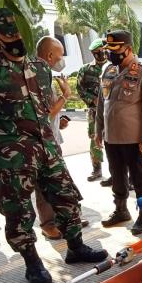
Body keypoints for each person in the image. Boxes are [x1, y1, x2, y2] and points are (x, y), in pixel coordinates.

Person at [0, 8, 107, 283]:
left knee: (67, 197)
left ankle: (76, 248)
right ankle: (32, 263)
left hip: (47, 148)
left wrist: (59, 117)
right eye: (9, 34)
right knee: (18, 211)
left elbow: (44, 107)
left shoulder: (40, 68)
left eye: (19, 32)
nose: (16, 38)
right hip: (12, 157)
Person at [95, 30, 142, 236]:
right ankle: (121, 209)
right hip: (111, 137)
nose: (112, 54)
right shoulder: (108, 70)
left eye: (116, 49)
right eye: (109, 49)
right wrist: (98, 130)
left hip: (135, 139)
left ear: (129, 49)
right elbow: (101, 104)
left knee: (140, 179)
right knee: (117, 176)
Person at [35, 36, 90, 240]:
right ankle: (48, 224)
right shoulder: (38, 74)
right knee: (44, 184)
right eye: (60, 54)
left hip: (51, 139)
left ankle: (67, 218)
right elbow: (47, 111)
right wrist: (66, 95)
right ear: (50, 55)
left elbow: (50, 113)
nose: (62, 59)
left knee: (59, 182)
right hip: (41, 143)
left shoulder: (45, 72)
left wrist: (60, 121)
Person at [77, 39, 107, 182]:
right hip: (94, 110)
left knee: (114, 140)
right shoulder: (86, 69)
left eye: (102, 51)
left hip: (112, 110)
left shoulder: (113, 67)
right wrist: (92, 99)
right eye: (96, 53)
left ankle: (117, 172)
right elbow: (80, 88)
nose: (100, 55)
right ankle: (97, 169)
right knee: (95, 139)